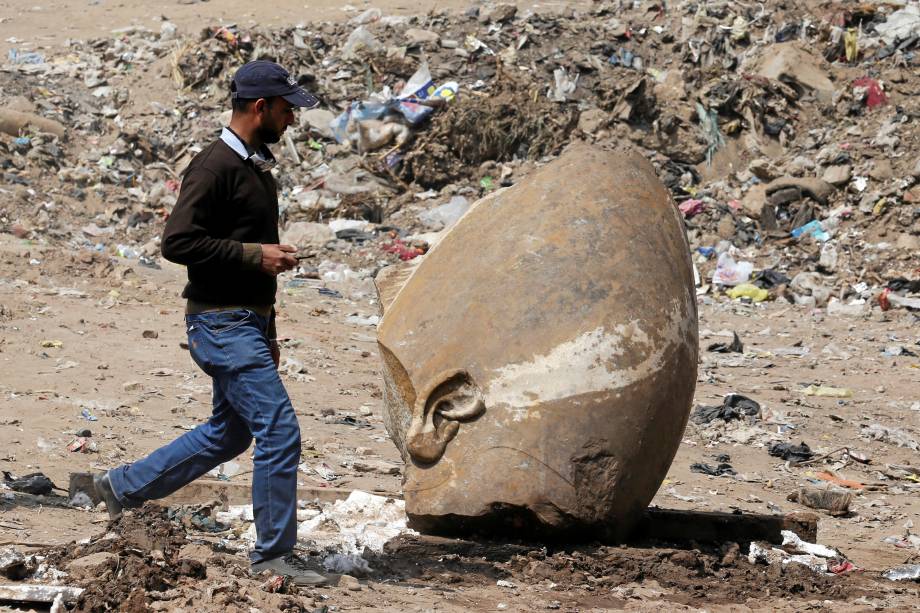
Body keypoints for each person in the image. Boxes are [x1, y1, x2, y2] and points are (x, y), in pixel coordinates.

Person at [93, 60, 327, 586]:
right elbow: (176, 242)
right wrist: (254, 255)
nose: (293, 119)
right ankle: (272, 557)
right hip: (220, 324)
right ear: (259, 107)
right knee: (280, 430)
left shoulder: (253, 165)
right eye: (287, 109)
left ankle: (121, 488)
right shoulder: (215, 165)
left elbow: (241, 248)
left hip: (246, 323)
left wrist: (268, 321)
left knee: (231, 433)